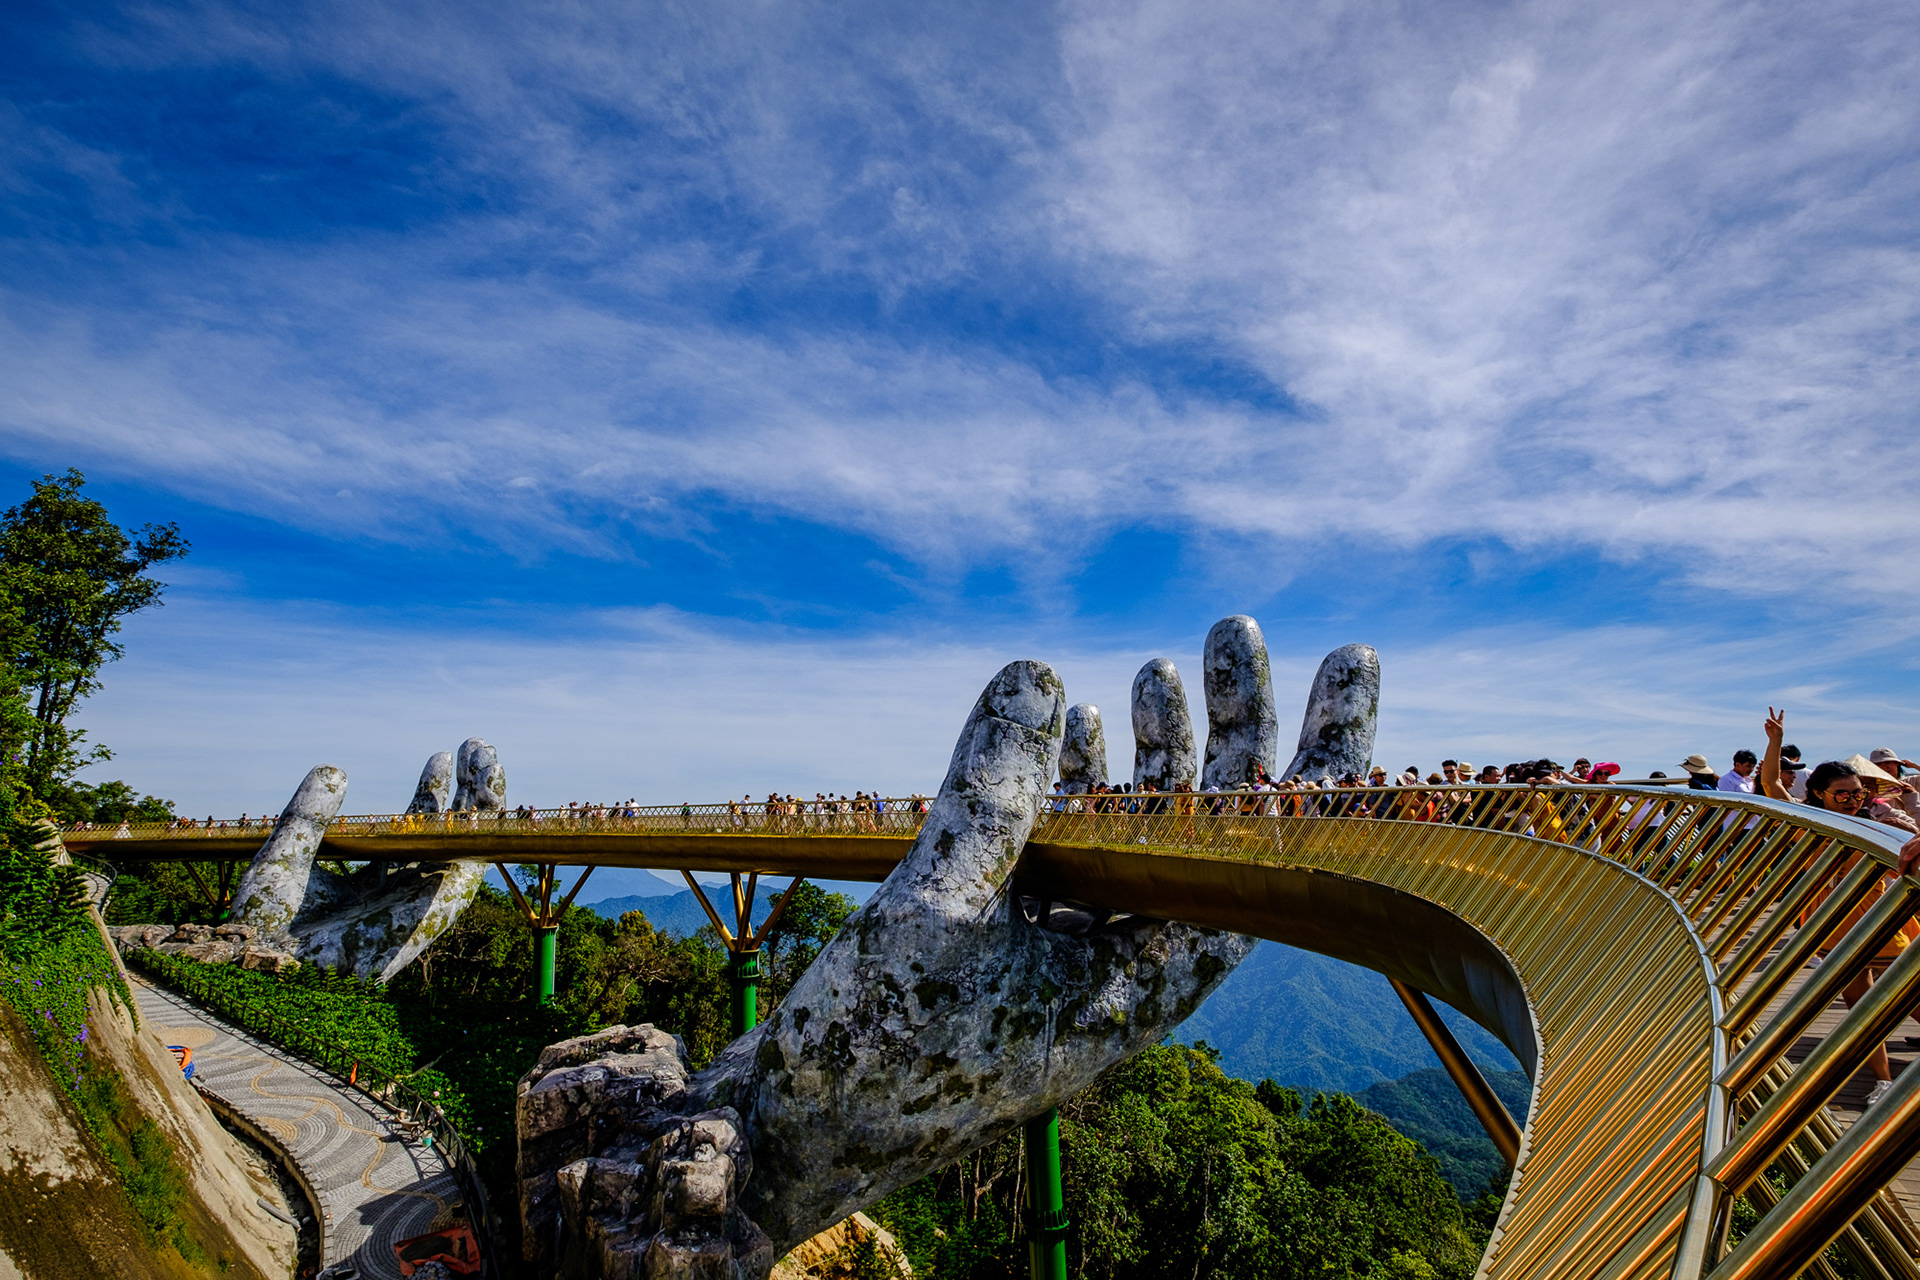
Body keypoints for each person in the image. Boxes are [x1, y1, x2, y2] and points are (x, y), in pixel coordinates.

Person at [1869, 748, 1920, 826]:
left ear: (1897, 763)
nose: (1883, 767)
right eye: (1878, 764)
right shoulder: (1871, 789)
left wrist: (1915, 766)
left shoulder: (1912, 781)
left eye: (1887, 762)